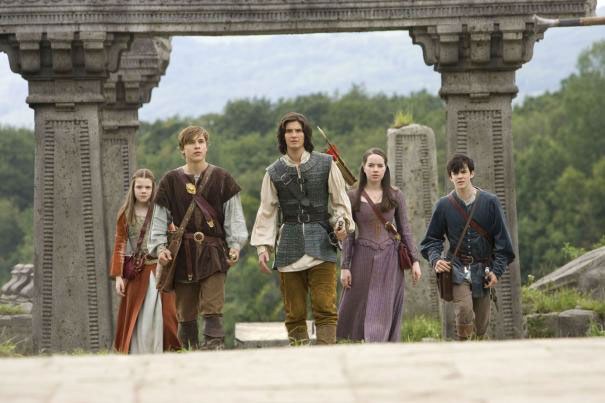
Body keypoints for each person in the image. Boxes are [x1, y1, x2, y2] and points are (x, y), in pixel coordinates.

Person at [250, 112, 354, 345]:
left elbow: (340, 201)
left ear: (305, 134)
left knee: (325, 307)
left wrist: (342, 224)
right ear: (283, 136)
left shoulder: (326, 163)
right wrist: (263, 247)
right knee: (294, 312)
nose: (294, 135)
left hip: (322, 243)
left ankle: (326, 354)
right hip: (288, 244)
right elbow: (267, 211)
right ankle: (300, 356)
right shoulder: (273, 172)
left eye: (298, 130)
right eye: (289, 131)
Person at [149, 126, 248, 350]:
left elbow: (234, 217)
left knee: (213, 305)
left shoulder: (222, 178)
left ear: (206, 146)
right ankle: (189, 352)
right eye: (191, 142)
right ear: (182, 149)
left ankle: (214, 347)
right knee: (186, 311)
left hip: (214, 251)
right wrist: (160, 248)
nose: (197, 146)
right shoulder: (170, 181)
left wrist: (234, 245)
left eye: (201, 142)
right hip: (183, 253)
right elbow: (159, 219)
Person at [420, 154, 515, 340]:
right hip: (456, 267)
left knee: (481, 325)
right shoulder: (443, 205)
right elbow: (431, 239)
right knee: (464, 310)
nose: (459, 176)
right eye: (455, 173)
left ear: (472, 173)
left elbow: (503, 241)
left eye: (463, 172)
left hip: (483, 269)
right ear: (450, 177)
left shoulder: (490, 202)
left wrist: (496, 271)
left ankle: (477, 348)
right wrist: (436, 259)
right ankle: (464, 348)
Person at [336, 148, 421, 342]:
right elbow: (349, 235)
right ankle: (362, 341)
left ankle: (377, 345)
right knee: (358, 304)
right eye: (371, 165)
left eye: (380, 165)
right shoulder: (352, 196)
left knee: (383, 306)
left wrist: (415, 261)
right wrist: (345, 267)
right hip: (361, 257)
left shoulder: (396, 195)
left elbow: (405, 230)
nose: (375, 169)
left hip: (390, 257)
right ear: (363, 168)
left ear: (385, 168)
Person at [109, 168, 180, 354]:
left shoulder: (162, 211)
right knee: (138, 314)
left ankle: (165, 351)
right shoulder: (126, 214)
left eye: (147, 187)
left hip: (161, 269)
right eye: (139, 187)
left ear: (153, 188)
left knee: (165, 315)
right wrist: (118, 277)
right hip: (138, 271)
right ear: (133, 188)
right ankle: (139, 351)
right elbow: (120, 245)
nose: (143, 191)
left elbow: (173, 237)